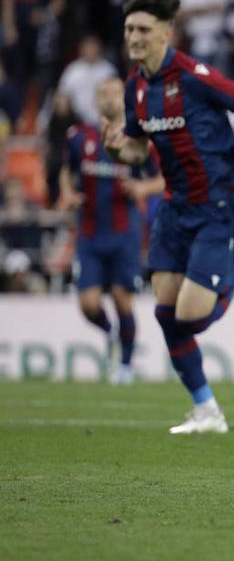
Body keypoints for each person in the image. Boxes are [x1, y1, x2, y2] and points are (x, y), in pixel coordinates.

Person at [103, 0, 234, 434]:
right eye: (129, 29)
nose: (134, 37)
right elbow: (139, 152)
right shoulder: (135, 88)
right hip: (173, 209)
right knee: (166, 314)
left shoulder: (193, 75)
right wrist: (118, 151)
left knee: (191, 315)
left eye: (143, 28)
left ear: (166, 32)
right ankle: (208, 411)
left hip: (215, 205)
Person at [61, 77, 163, 385]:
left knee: (122, 300)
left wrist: (142, 187)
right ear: (94, 100)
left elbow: (162, 179)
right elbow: (67, 172)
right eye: (102, 94)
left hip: (125, 233)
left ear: (125, 99)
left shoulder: (139, 138)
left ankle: (126, 366)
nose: (108, 99)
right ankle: (110, 333)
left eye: (114, 94)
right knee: (88, 304)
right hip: (89, 233)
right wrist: (68, 193)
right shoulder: (80, 137)